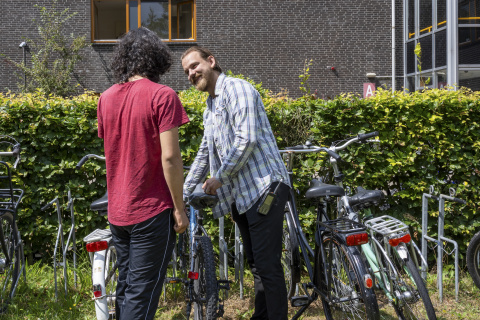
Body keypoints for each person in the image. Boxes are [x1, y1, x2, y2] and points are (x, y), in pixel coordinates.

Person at [181, 46, 291, 320]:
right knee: (256, 265)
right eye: (187, 72)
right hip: (241, 198)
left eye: (195, 66)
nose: (192, 74)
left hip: (265, 188)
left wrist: (220, 177)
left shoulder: (238, 89)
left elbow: (247, 139)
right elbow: (205, 153)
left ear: (211, 61)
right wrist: (181, 194)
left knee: (268, 266)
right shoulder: (210, 108)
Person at [97, 27, 189, 320]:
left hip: (118, 212)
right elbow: (171, 158)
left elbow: (114, 149)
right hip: (151, 210)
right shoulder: (163, 96)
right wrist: (179, 209)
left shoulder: (106, 98)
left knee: (126, 287)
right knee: (142, 293)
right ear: (157, 58)